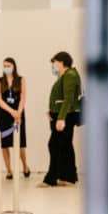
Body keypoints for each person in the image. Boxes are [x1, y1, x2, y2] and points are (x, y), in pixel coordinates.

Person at [42, 51, 82, 187]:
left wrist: (61, 118)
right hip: (61, 115)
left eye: (55, 62)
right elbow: (60, 97)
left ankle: (51, 178)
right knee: (65, 146)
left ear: (62, 62)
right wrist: (51, 111)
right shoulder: (65, 75)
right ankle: (68, 177)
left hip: (65, 116)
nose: (53, 65)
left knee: (54, 145)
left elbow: (69, 99)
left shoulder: (70, 75)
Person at [0, 57, 30, 178]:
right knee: (4, 144)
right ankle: (9, 170)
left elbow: (23, 97)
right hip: (4, 114)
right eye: (4, 65)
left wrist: (18, 112)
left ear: (14, 66)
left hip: (18, 114)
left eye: (8, 65)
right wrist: (11, 111)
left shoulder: (21, 80)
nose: (6, 68)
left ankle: (25, 166)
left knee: (19, 144)